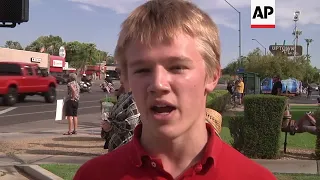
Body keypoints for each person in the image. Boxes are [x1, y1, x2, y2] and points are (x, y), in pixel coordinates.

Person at [74, 0, 276, 179]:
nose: (158, 84)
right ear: (126, 79)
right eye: (143, 70)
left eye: (177, 67)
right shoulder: (93, 175)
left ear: (212, 75)